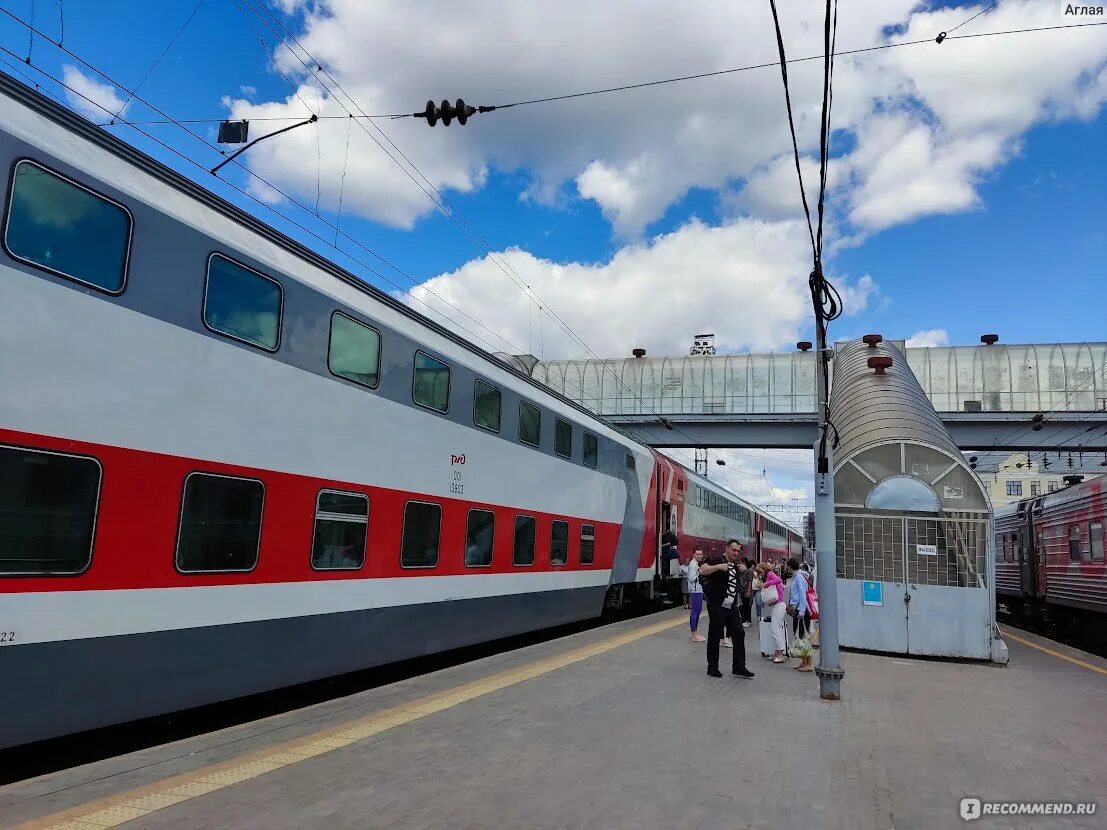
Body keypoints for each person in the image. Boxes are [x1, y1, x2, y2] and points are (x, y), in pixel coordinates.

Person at [699, 539, 754, 679]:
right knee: (715, 635)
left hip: (732, 606)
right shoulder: (717, 559)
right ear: (727, 548)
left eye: (738, 550)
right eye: (733, 550)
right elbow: (702, 570)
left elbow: (732, 579)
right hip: (717, 604)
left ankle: (739, 667)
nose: (736, 553)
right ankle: (712, 667)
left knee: (739, 633)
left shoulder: (735, 563)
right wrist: (718, 567)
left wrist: (742, 570)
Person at [786, 557, 813, 672]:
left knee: (803, 636)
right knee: (800, 634)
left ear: (790, 566)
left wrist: (801, 610)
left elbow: (802, 593)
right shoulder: (799, 576)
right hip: (799, 609)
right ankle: (803, 661)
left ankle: (808, 664)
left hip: (801, 610)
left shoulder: (799, 577)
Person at [757, 562, 788, 663]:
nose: (761, 574)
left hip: (779, 605)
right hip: (778, 605)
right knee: (776, 629)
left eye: (761, 572)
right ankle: (777, 653)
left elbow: (779, 580)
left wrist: (766, 584)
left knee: (775, 630)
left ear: (764, 569)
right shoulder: (770, 575)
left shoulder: (770, 574)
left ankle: (780, 655)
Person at [680, 547, 706, 642]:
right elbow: (691, 578)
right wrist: (700, 573)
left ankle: (695, 633)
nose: (699, 556)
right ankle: (694, 634)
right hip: (695, 591)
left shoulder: (695, 564)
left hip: (698, 590)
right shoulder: (693, 564)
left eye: (700, 554)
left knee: (697, 612)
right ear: (693, 554)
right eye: (697, 554)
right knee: (695, 612)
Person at [739, 557, 755, 627]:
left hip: (746, 590)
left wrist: (748, 591)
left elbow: (750, 581)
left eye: (741, 562)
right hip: (742, 590)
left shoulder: (749, 571)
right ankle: (745, 620)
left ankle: (746, 621)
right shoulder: (742, 571)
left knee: (746, 606)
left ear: (744, 562)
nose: (740, 564)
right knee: (743, 606)